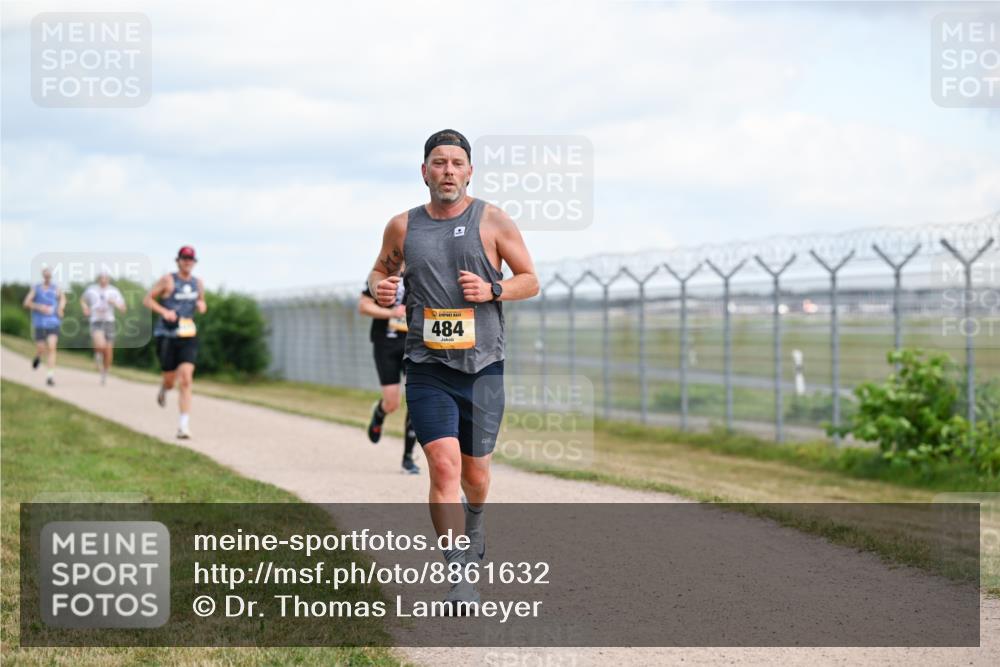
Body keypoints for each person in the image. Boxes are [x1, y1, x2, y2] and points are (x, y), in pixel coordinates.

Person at [368, 129, 539, 610]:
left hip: (484, 365)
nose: (447, 171)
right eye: (438, 163)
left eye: (456, 163)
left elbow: (531, 279)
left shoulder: (494, 220)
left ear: (469, 171)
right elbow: (381, 271)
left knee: (475, 475)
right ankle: (459, 572)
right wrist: (382, 288)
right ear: (424, 171)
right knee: (442, 465)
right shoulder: (403, 227)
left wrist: (494, 291)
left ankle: (477, 520)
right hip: (426, 364)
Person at [359, 274, 421, 474]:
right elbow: (364, 306)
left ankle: (408, 458)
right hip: (385, 344)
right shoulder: (383, 272)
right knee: (392, 403)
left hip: (415, 345)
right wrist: (392, 313)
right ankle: (379, 413)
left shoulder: (422, 269)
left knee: (416, 400)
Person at [143, 246, 206, 439]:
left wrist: (202, 305)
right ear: (178, 260)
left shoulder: (198, 283)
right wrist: (164, 312)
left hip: (188, 334)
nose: (187, 262)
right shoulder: (168, 280)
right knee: (171, 380)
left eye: (191, 259)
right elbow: (147, 300)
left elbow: (202, 301)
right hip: (167, 334)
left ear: (194, 262)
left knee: (186, 378)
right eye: (184, 258)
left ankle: (183, 426)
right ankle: (164, 387)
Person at [80, 272, 127, 385]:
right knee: (100, 345)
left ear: (109, 279)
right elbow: (82, 299)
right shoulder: (92, 289)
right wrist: (85, 307)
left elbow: (123, 309)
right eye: (101, 278)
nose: (103, 280)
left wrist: (114, 302)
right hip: (96, 320)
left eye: (106, 278)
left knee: (109, 351)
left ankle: (104, 373)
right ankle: (97, 354)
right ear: (98, 279)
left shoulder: (114, 291)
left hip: (109, 322)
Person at [22, 267, 66, 386]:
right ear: (43, 276)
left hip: (53, 322)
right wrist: (39, 307)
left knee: (52, 347)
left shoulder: (56, 288)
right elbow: (26, 303)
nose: (48, 277)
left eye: (49, 275)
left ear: (51, 276)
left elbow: (62, 299)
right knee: (41, 348)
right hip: (39, 323)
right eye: (46, 275)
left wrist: (60, 308)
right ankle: (38, 357)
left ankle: (50, 376)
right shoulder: (36, 289)